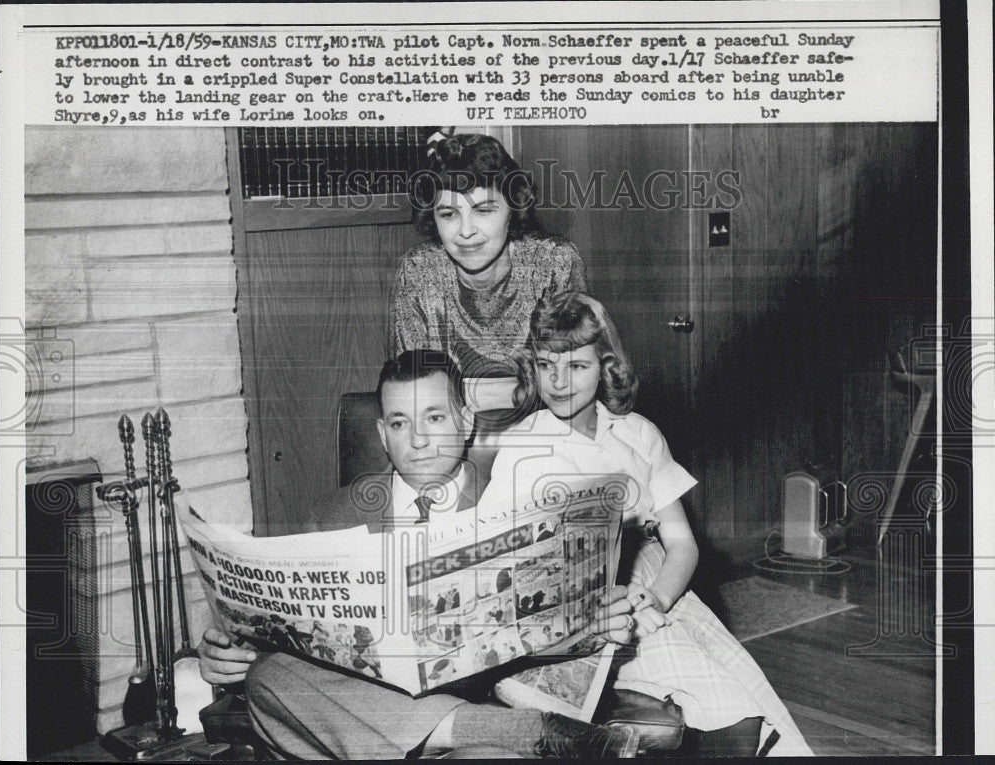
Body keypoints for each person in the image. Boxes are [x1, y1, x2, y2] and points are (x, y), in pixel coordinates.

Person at [196, 349, 641, 759]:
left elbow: (542, 632)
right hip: (363, 706)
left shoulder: (516, 506)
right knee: (268, 677)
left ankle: (458, 733)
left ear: (465, 422)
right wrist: (227, 653)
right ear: (382, 434)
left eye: (434, 417)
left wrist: (594, 624)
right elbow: (275, 642)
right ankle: (515, 731)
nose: (419, 440)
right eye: (399, 422)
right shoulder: (330, 516)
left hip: (468, 699)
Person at [484, 292, 813, 757]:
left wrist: (657, 599)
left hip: (653, 591)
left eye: (576, 367)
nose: (557, 382)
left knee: (739, 710)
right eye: (544, 366)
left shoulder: (639, 433)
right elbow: (503, 561)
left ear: (606, 365)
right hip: (570, 610)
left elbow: (683, 546)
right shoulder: (521, 447)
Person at [389, 132, 588, 380]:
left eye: (483, 210)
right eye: (449, 214)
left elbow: (573, 380)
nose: (466, 231)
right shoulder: (420, 270)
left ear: (513, 208)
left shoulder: (553, 262)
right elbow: (414, 390)